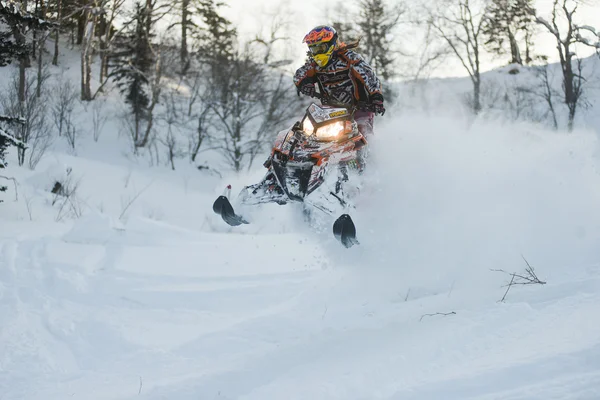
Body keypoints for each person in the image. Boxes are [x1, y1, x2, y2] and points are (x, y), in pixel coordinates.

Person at [294, 25, 385, 139]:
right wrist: (305, 83)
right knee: (307, 132)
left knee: (363, 132)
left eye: (320, 48)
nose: (317, 53)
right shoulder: (314, 64)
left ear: (332, 44)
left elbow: (370, 78)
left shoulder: (350, 59)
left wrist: (376, 98)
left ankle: (370, 155)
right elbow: (299, 75)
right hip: (331, 112)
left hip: (359, 109)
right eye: (314, 49)